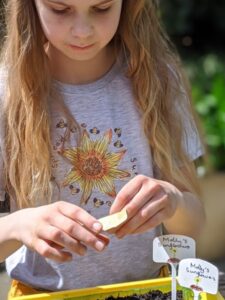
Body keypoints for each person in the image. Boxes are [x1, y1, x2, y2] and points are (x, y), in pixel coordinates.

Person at [0, 0, 205, 297]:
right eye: (60, 9)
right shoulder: (8, 93)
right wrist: (19, 225)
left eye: (102, 8)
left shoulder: (158, 78)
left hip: (148, 289)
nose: (82, 31)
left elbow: (193, 226)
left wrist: (172, 201)